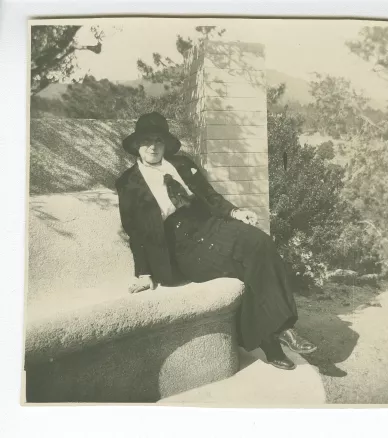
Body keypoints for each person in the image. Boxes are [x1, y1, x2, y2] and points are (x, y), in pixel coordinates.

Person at [115, 112, 317, 370]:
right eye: (146, 141)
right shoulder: (128, 183)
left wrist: (235, 212)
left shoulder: (181, 164)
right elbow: (135, 231)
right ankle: (273, 340)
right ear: (136, 145)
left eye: (158, 140)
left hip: (210, 226)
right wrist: (143, 273)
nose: (153, 146)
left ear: (165, 144)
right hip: (182, 248)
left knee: (260, 243)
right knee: (242, 266)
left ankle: (283, 329)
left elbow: (209, 196)